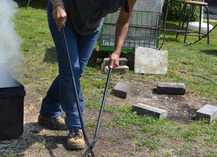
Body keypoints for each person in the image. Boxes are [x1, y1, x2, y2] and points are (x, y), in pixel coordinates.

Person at [38, 0, 137, 150]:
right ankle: (76, 127)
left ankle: (48, 111)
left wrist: (117, 51)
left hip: (91, 27)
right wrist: (57, 4)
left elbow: (124, 20)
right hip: (64, 16)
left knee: (74, 72)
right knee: (71, 71)